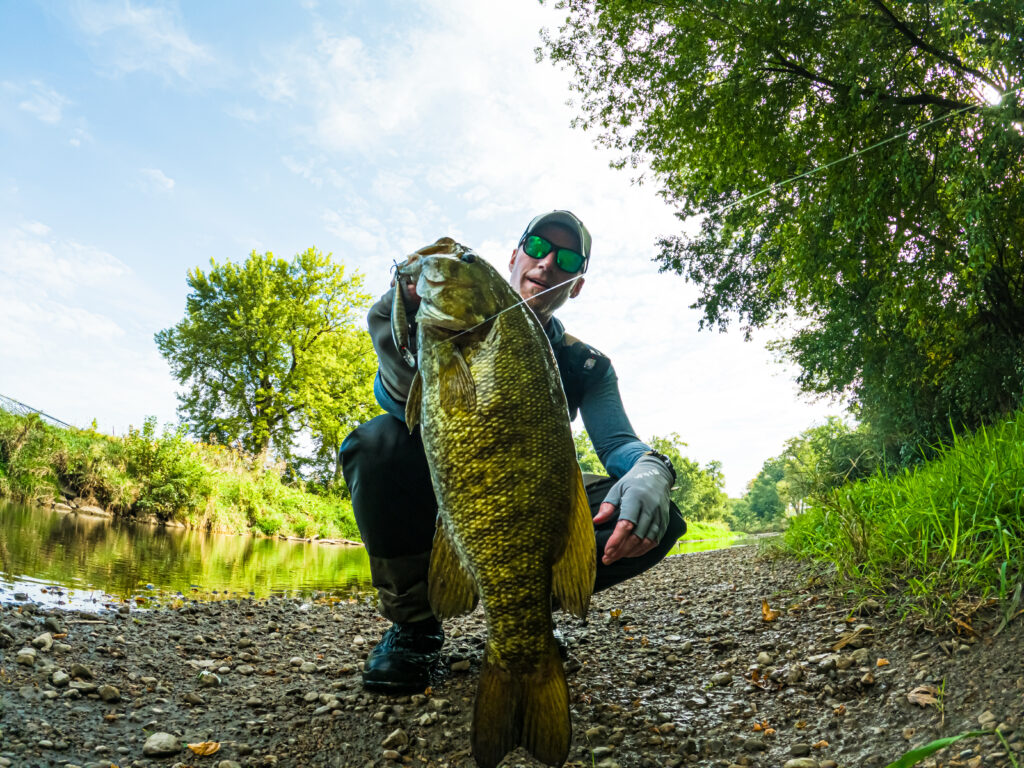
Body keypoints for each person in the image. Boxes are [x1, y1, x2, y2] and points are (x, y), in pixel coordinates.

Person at [340, 210, 686, 693]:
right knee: (374, 444)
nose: (547, 264)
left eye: (566, 258)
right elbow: (397, 399)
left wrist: (654, 468)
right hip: (442, 486)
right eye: (538, 248)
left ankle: (527, 608)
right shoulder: (442, 328)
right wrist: (398, 319)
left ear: (577, 285)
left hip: (528, 502)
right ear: (514, 257)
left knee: (659, 516)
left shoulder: (585, 364)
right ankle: (414, 626)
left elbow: (617, 443)